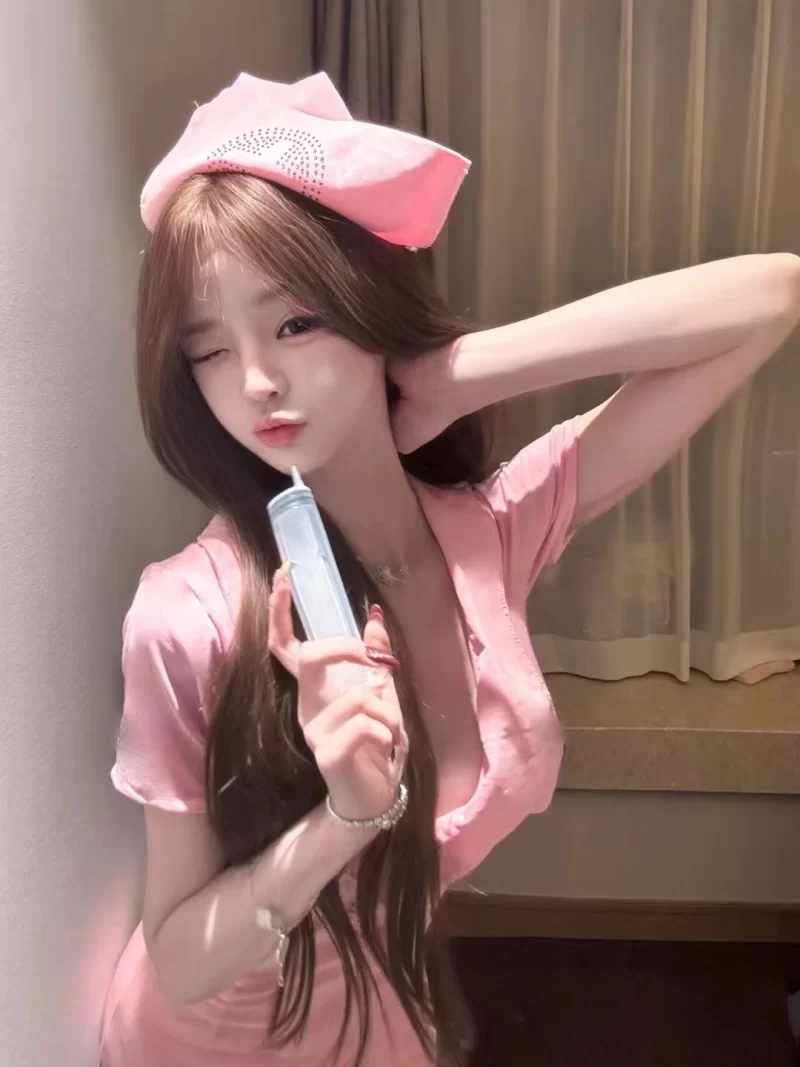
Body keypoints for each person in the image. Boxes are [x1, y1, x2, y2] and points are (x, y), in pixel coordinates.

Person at [99, 72, 800, 1066]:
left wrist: (457, 371)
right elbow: (176, 957)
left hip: (374, 1007)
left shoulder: (489, 531)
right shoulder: (192, 614)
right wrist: (345, 818)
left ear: (366, 305)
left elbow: (771, 294)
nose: (254, 380)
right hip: (210, 1041)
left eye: (294, 322)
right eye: (208, 348)